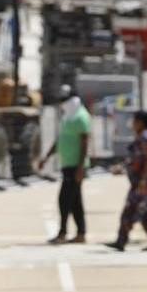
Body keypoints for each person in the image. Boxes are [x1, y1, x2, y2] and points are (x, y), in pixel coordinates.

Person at [105, 111, 147, 252]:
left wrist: (144, 180)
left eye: (134, 121)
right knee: (146, 214)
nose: (132, 124)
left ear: (141, 122)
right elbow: (136, 159)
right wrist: (122, 168)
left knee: (130, 210)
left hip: (146, 184)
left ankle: (121, 241)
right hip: (144, 183)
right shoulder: (144, 137)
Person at [39, 85, 91, 244]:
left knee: (64, 199)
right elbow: (60, 140)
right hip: (67, 164)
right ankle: (81, 233)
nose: (63, 103)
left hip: (76, 165)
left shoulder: (81, 117)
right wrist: (46, 156)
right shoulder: (68, 117)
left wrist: (81, 167)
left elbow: (84, 144)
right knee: (75, 201)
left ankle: (62, 233)